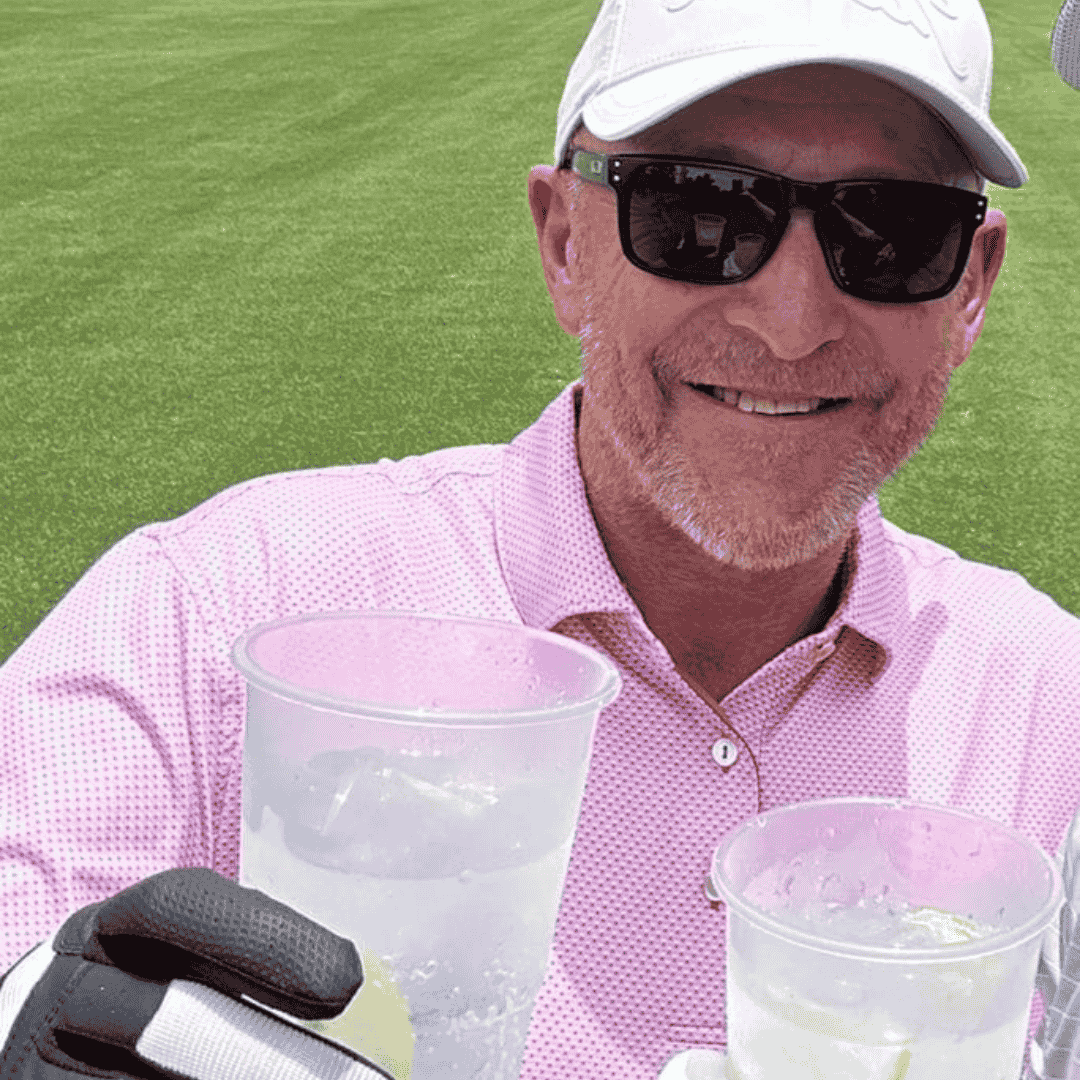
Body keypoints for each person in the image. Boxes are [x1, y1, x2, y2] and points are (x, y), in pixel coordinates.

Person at [3, 0, 1080, 1078]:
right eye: (699, 213)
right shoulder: (219, 609)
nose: (791, 318)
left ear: (971, 286)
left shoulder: (1050, 708)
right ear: (566, 245)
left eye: (890, 233)